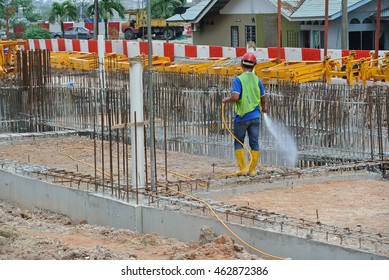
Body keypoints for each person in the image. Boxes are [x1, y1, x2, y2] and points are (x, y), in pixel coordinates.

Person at [222, 52, 266, 176]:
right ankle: (252, 171)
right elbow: (263, 97)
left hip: (242, 117)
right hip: (255, 117)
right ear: (254, 65)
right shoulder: (258, 80)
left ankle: (243, 169)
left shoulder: (239, 79)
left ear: (241, 64)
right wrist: (264, 108)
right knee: (254, 143)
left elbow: (235, 97)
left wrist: (226, 100)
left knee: (238, 142)